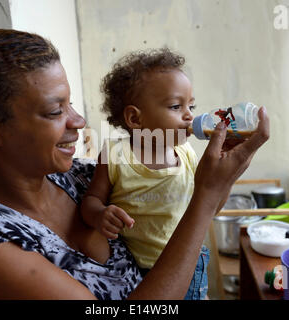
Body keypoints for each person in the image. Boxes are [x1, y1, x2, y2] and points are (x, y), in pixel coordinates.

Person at [0, 29, 269, 300]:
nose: (78, 120)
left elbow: (188, 208)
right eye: (54, 111)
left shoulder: (79, 177)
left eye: (70, 104)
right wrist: (206, 196)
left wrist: (220, 178)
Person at [80, 48, 209, 300]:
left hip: (189, 263)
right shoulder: (116, 155)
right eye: (175, 106)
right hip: (134, 268)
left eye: (191, 105)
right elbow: (90, 201)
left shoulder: (187, 154)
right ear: (134, 118)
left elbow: (207, 204)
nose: (189, 116)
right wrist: (99, 215)